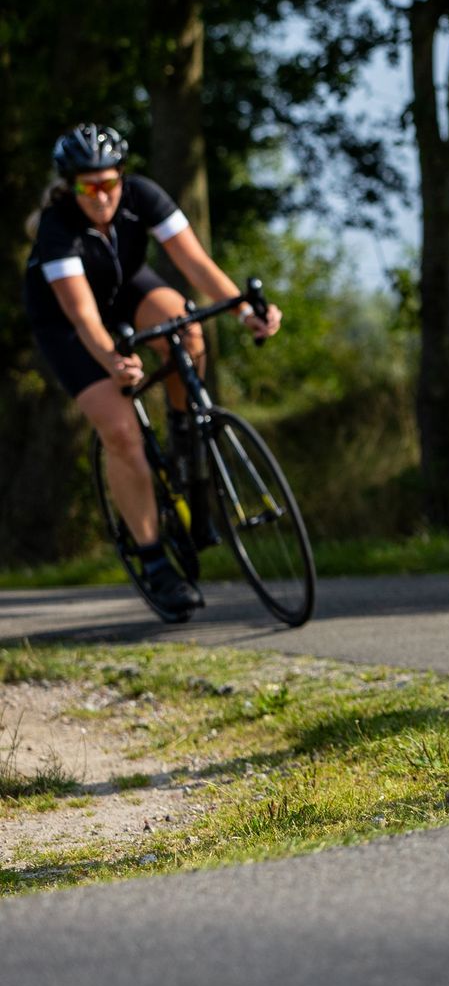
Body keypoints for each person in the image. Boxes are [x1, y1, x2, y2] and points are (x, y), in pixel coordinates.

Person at [22, 123, 283, 622]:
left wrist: (243, 311)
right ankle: (153, 557)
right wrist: (115, 363)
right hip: (70, 325)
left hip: (125, 288)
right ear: (70, 186)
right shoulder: (58, 229)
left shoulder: (143, 196)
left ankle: (185, 441)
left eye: (109, 183)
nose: (101, 196)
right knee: (121, 432)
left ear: (123, 176)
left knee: (188, 329)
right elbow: (83, 318)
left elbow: (196, 263)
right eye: (87, 186)